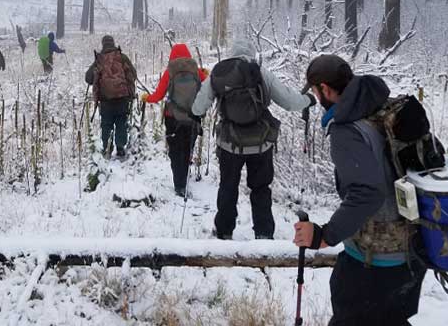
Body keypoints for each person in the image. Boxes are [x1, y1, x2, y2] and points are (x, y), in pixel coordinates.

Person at [293, 53, 448, 326]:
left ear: (325, 90)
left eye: (317, 91)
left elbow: (367, 194)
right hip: (413, 245)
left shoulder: (346, 129)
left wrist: (324, 234)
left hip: (376, 254)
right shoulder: (385, 107)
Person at [192, 37, 314, 239]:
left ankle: (224, 231)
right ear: (252, 53)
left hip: (229, 143)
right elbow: (289, 101)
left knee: (228, 186)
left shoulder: (219, 73)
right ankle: (264, 233)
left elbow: (198, 108)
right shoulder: (260, 72)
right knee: (261, 188)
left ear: (232, 53)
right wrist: (308, 100)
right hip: (261, 143)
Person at [142, 43, 208, 197]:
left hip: (172, 118)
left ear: (172, 56)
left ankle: (178, 184)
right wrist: (206, 73)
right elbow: (210, 84)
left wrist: (147, 98)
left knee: (175, 151)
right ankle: (183, 179)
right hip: (192, 117)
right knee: (186, 149)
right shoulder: (196, 71)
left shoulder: (169, 72)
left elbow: (158, 95)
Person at [84, 35, 137, 158]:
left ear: (103, 45)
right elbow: (133, 74)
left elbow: (88, 78)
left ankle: (107, 148)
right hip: (122, 98)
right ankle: (120, 148)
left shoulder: (99, 60)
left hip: (105, 99)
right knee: (121, 122)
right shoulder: (122, 58)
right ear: (113, 43)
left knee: (106, 124)